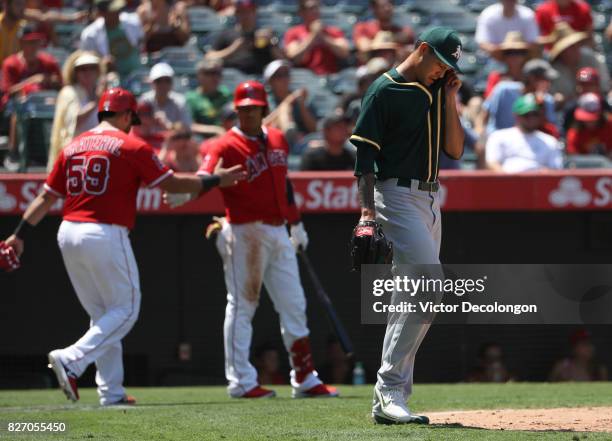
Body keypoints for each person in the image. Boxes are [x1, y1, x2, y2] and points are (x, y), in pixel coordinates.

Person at [3, 87, 245, 406]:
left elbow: (46, 196)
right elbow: (171, 184)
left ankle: (111, 391)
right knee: (126, 309)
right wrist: (215, 181)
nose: (134, 123)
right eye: (132, 117)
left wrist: (18, 234)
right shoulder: (131, 145)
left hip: (68, 231)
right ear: (127, 114)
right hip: (103, 231)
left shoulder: (74, 145)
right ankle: (71, 360)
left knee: (103, 314)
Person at [166, 81, 339, 399]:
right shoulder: (223, 145)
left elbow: (284, 185)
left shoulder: (276, 139)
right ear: (237, 110)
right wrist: (192, 187)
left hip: (277, 230)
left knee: (295, 304)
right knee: (243, 305)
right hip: (243, 232)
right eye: (243, 109)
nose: (247, 113)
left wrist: (296, 223)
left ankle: (304, 377)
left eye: (253, 108)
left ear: (262, 109)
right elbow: (206, 174)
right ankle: (241, 381)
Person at [350, 27, 464, 424]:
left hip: (431, 198)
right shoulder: (383, 90)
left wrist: (449, 96)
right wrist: (366, 214)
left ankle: (391, 395)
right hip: (395, 195)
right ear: (422, 50)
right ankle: (389, 389)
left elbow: (454, 148)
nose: (443, 71)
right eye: (441, 63)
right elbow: (364, 159)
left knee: (415, 297)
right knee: (429, 284)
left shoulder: (436, 89)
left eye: (450, 67)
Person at [1, 25, 62, 171]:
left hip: (45, 102)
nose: (33, 46)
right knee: (19, 106)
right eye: (29, 42)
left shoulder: (49, 62)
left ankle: (58, 153)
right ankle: (14, 153)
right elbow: (8, 91)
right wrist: (33, 80)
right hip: (17, 104)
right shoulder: (11, 63)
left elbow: (62, 86)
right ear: (21, 43)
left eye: (36, 42)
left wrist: (52, 82)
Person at [48, 51, 103, 171]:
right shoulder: (68, 93)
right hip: (75, 153)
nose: (87, 72)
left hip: (100, 152)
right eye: (82, 69)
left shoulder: (101, 91)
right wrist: (95, 103)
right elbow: (75, 121)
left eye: (92, 68)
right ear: (75, 72)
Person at [481, 59, 559, 137]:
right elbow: (486, 113)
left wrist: (541, 106)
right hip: (497, 139)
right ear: (532, 78)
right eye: (545, 79)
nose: (549, 84)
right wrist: (483, 136)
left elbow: (549, 128)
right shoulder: (504, 89)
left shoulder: (547, 100)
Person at [485, 93, 562, 172]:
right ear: (516, 115)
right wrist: (511, 180)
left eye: (535, 114)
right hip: (507, 181)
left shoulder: (550, 141)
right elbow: (492, 163)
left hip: (538, 182)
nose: (531, 118)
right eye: (526, 115)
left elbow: (555, 170)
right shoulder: (499, 137)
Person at [205, 0, 283, 75]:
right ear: (236, 13)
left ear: (255, 13)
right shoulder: (226, 34)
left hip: (259, 80)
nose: (246, 15)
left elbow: (283, 61)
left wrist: (272, 44)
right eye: (242, 12)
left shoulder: (264, 35)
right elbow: (209, 58)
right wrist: (233, 49)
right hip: (232, 80)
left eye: (249, 11)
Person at [79, 0, 143, 80]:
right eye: (113, 11)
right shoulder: (90, 35)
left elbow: (141, 43)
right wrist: (102, 63)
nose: (117, 13)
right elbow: (87, 65)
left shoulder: (133, 21)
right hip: (110, 80)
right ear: (102, 13)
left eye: (118, 10)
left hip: (138, 75)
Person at [548, 22, 610, 104]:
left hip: (597, 103)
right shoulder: (555, 70)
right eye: (566, 48)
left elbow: (604, 86)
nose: (572, 50)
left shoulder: (590, 58)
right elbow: (556, 98)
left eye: (574, 45)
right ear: (560, 52)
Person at [284, 0, 350, 75]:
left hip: (331, 77)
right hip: (305, 78)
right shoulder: (293, 33)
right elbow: (294, 57)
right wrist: (313, 35)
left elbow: (344, 52)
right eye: (311, 8)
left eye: (317, 7)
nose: (315, 11)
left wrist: (323, 37)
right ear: (301, 12)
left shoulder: (333, 31)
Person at [262, 60, 317, 150]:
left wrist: (302, 105)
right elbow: (262, 126)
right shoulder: (265, 101)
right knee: (283, 111)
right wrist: (288, 102)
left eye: (286, 74)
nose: (284, 79)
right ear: (270, 81)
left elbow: (313, 129)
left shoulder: (300, 97)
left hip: (303, 141)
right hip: (276, 142)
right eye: (279, 76)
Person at [475, 0, 540, 59]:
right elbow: (483, 43)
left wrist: (515, 50)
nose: (509, 1)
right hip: (496, 58)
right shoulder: (488, 14)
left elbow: (533, 43)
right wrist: (504, 51)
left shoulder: (527, 15)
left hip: (523, 56)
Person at [186, 59, 232, 138]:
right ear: (199, 75)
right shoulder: (191, 98)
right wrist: (216, 130)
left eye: (218, 73)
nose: (215, 77)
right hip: (203, 141)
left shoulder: (226, 94)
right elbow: (189, 125)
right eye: (210, 73)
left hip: (227, 137)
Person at [140, 62, 192, 129]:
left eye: (167, 80)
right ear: (152, 83)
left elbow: (187, 127)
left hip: (173, 139)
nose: (163, 85)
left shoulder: (180, 101)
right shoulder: (145, 100)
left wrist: (169, 125)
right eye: (158, 81)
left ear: (172, 82)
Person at [483, 31, 531, 99]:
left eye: (519, 52)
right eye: (510, 52)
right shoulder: (495, 77)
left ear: (525, 56)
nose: (514, 56)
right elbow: (489, 101)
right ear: (504, 56)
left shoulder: (531, 78)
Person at [562, 67, 611, 132]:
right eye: (583, 84)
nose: (586, 88)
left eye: (590, 84)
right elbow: (565, 131)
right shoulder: (571, 108)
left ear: (597, 86)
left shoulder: (604, 106)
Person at [0, 0, 26, 66]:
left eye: (24, 5)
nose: (22, 8)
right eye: (18, 4)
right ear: (6, 4)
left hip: (15, 72)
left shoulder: (24, 27)